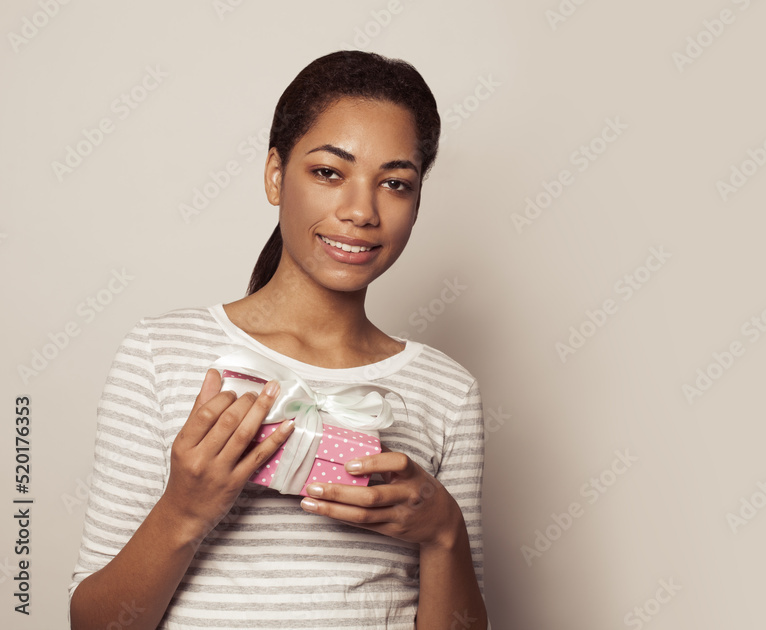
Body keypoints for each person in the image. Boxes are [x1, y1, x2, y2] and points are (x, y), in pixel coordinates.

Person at [68, 51, 488, 630]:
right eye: (328, 173)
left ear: (417, 203)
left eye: (394, 183)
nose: (361, 210)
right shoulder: (160, 355)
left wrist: (444, 533)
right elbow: (95, 624)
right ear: (274, 175)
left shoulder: (447, 391)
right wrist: (184, 512)